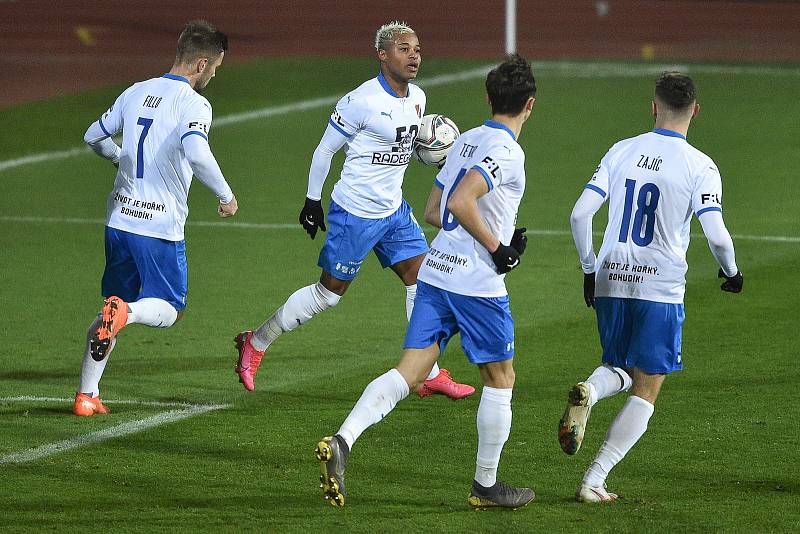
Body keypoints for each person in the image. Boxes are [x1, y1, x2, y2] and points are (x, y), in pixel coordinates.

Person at [315, 54, 537, 509]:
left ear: (488, 97)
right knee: (501, 377)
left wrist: (499, 231)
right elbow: (459, 201)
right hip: (477, 285)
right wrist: (499, 249)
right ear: (529, 105)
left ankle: (343, 439)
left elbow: (433, 211)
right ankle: (486, 486)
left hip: (436, 271)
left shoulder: (466, 138)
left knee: (409, 372)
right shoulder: (509, 151)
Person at [233, 21, 473, 399]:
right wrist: (313, 200)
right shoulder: (360, 101)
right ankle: (255, 342)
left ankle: (428, 372)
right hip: (355, 214)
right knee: (328, 295)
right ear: (382, 54)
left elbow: (400, 146)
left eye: (417, 49)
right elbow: (325, 150)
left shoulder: (419, 99)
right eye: (404, 49)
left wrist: (433, 153)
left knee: (423, 282)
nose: (414, 56)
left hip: (394, 212)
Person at [559, 72, 743, 502]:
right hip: (658, 285)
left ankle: (590, 389)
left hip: (610, 275)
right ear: (695, 111)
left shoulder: (621, 150)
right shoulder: (701, 165)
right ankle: (594, 480)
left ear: (652, 106)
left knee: (620, 366)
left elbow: (580, 215)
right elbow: (717, 237)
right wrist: (731, 272)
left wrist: (590, 268)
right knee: (648, 385)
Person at [73, 20, 238, 416]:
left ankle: (86, 395)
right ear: (201, 64)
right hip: (159, 227)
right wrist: (226, 195)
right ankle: (126, 314)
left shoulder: (136, 91)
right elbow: (197, 152)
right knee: (168, 308)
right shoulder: (194, 104)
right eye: (215, 67)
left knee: (110, 304)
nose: (214, 74)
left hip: (119, 222)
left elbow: (93, 136)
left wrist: (119, 158)